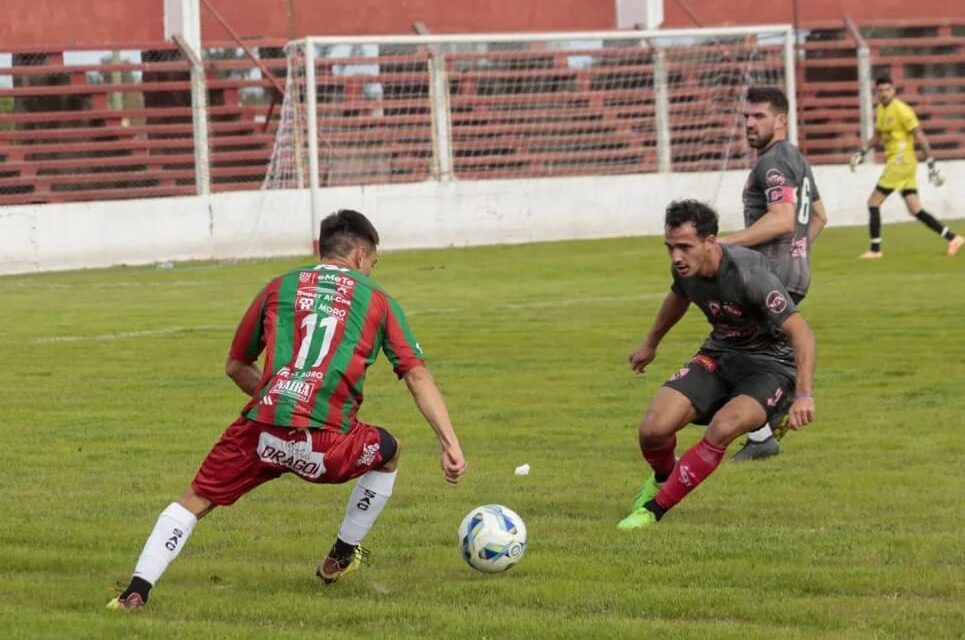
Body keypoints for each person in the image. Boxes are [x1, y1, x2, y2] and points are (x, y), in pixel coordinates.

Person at [108, 209, 467, 610]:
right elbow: (415, 375)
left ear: (323, 248)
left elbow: (236, 366)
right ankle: (340, 557)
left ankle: (135, 592)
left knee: (195, 498)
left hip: (262, 430)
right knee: (390, 450)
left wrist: (280, 400)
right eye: (373, 265)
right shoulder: (377, 301)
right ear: (362, 256)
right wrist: (449, 443)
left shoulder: (280, 287)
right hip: (327, 446)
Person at [617, 199, 816, 531]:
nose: (676, 257)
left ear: (711, 241)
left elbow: (803, 334)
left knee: (723, 427)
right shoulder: (685, 270)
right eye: (670, 247)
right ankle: (665, 477)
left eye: (684, 247)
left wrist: (805, 395)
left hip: (771, 366)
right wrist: (651, 343)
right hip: (720, 353)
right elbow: (678, 297)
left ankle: (653, 510)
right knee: (652, 429)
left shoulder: (750, 276)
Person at [720, 85, 827, 461]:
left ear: (781, 120)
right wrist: (799, 254)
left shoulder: (772, 164)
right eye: (747, 116)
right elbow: (819, 217)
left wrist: (729, 243)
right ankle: (765, 428)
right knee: (750, 350)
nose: (749, 123)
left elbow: (781, 220)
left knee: (728, 352)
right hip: (795, 275)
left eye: (759, 116)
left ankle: (767, 427)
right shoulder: (796, 157)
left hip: (769, 277)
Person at [850, 76, 963, 258]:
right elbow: (877, 136)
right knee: (915, 209)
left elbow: (920, 136)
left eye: (887, 90)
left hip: (900, 163)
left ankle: (875, 250)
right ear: (876, 92)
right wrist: (862, 152)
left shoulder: (903, 111)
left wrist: (931, 162)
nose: (884, 93)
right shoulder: (880, 110)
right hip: (902, 164)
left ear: (893, 90)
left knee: (873, 202)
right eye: (881, 91)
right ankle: (953, 238)